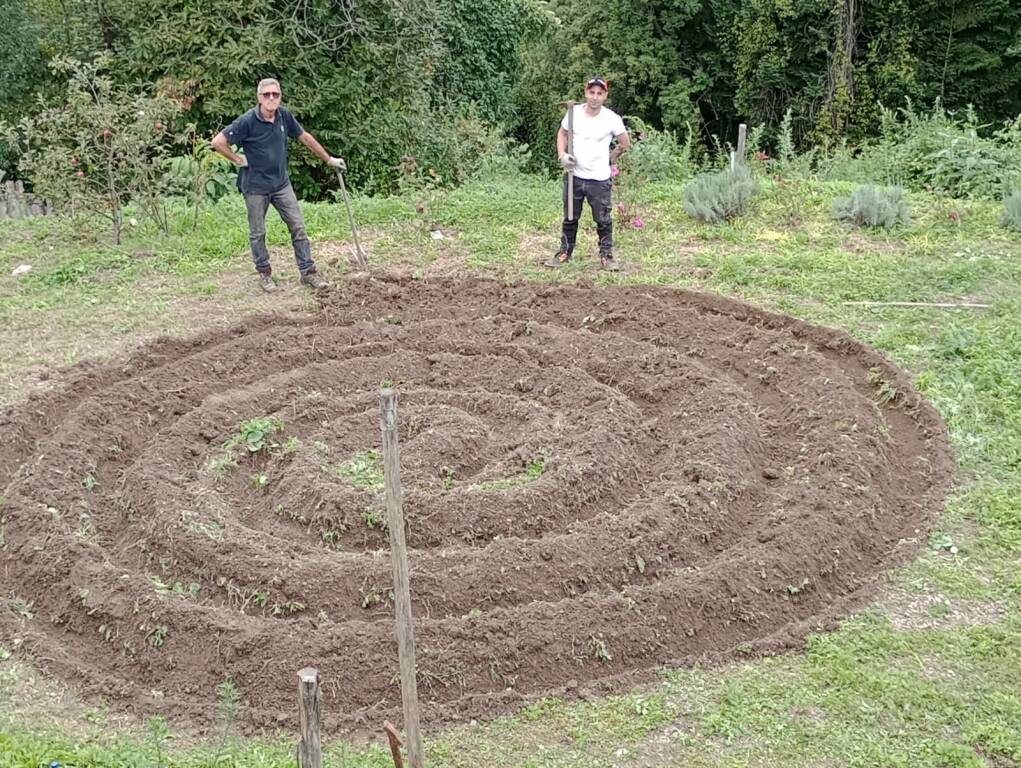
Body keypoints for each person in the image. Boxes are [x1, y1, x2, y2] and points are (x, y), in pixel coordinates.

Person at [211, 78, 344, 293]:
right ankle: (265, 274)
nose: (271, 98)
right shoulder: (247, 121)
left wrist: (329, 160)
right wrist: (237, 159)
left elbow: (305, 138)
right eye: (267, 95)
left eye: (275, 94)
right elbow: (218, 142)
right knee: (258, 233)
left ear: (280, 96)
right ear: (259, 98)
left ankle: (308, 273)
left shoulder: (284, 116)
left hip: (281, 184)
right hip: (255, 187)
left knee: (298, 227)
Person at [546, 77, 631, 271]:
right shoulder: (573, 113)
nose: (595, 97)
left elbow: (625, 143)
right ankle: (565, 252)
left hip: (599, 180)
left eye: (599, 93)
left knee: (603, 219)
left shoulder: (612, 119)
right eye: (591, 92)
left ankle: (606, 256)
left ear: (605, 96)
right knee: (570, 216)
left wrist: (611, 158)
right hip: (573, 175)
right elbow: (562, 133)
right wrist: (562, 155)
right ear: (586, 93)